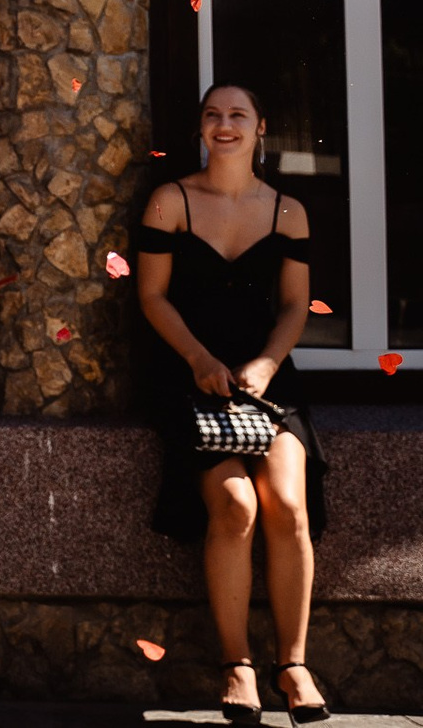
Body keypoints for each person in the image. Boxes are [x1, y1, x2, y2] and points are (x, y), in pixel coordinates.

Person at [135, 83, 329, 724]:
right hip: (188, 375)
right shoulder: (171, 201)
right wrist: (198, 359)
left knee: (288, 505)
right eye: (213, 115)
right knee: (236, 504)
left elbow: (295, 306)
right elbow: (152, 296)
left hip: (268, 379)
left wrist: (267, 364)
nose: (225, 124)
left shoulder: (288, 212)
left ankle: (293, 665)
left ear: (260, 127)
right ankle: (237, 665)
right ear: (200, 128)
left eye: (237, 115)